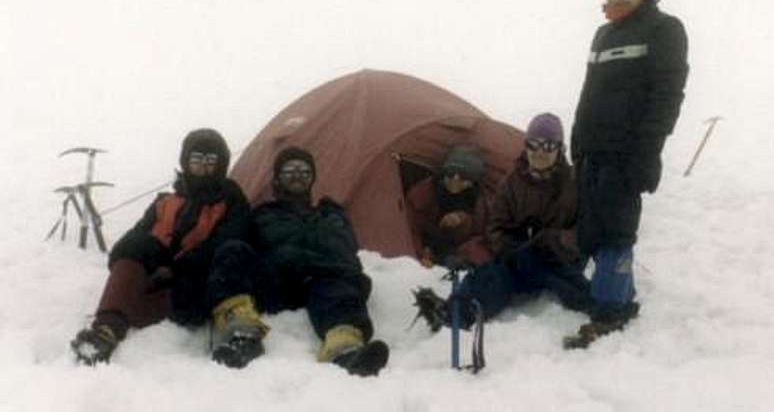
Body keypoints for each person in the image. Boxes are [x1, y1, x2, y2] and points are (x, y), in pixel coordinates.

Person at [565, 0, 689, 349]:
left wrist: (647, 152)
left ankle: (610, 311)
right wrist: (576, 143)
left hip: (626, 153)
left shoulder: (664, 29)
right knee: (592, 228)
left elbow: (667, 97)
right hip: (592, 152)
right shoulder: (603, 33)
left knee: (616, 231)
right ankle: (618, 292)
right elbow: (589, 94)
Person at [70, 128, 267, 367]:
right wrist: (156, 261)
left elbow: (227, 241)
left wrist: (176, 267)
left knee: (232, 251)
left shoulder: (232, 201)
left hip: (197, 285)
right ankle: (105, 331)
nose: (203, 167)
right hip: (158, 280)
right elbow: (127, 244)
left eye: (211, 161)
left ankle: (240, 338)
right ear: (186, 161)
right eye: (197, 159)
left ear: (221, 164)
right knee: (135, 244)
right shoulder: (164, 203)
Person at [412, 113, 591, 331]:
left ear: (559, 148)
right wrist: (510, 247)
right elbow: (496, 225)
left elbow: (586, 232)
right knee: (491, 274)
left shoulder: (574, 184)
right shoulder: (513, 182)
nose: (540, 152)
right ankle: (454, 313)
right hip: (520, 256)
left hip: (560, 258)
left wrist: (556, 242)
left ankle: (603, 310)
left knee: (563, 279)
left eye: (548, 146)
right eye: (533, 145)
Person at [239, 147, 389, 376]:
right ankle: (241, 340)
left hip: (322, 281)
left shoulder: (330, 214)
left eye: (304, 171)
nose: (297, 175)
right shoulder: (262, 215)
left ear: (313, 178)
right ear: (277, 178)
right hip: (279, 284)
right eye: (289, 170)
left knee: (337, 288)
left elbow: (345, 252)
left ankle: (346, 351)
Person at [406, 145, 492, 268]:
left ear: (474, 180)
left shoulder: (481, 203)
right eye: (451, 172)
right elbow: (410, 229)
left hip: (459, 250)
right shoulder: (422, 195)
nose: (455, 179)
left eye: (464, 175)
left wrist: (463, 220)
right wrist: (420, 254)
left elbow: (486, 237)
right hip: (426, 246)